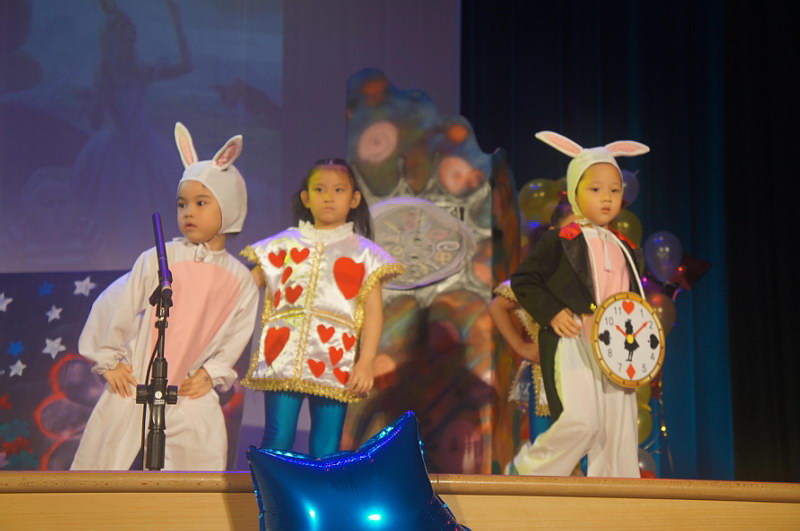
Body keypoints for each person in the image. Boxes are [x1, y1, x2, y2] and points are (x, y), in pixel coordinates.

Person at [70, 122, 259, 470]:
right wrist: (109, 359)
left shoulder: (240, 280)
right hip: (136, 379)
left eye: (201, 202)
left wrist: (212, 372)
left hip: (189, 386)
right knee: (101, 463)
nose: (189, 212)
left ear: (229, 207)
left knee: (200, 458)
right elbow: (115, 303)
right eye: (182, 204)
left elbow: (236, 336)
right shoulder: (159, 258)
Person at [507, 131, 649, 478]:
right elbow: (524, 280)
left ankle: (615, 500)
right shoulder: (560, 241)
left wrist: (645, 350)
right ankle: (527, 471)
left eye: (614, 190)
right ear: (574, 193)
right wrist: (553, 312)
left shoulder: (628, 249)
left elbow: (635, 304)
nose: (607, 197)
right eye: (595, 189)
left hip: (617, 349)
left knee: (618, 432)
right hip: (574, 340)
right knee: (582, 420)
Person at [240, 158, 403, 458]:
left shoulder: (365, 254)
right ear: (306, 198)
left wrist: (366, 362)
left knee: (326, 446)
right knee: (277, 436)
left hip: (335, 358)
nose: (329, 197)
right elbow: (244, 287)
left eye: (338, 190)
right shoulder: (282, 245)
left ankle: (320, 490)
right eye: (319, 189)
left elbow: (373, 312)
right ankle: (270, 488)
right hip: (283, 355)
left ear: (354, 199)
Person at [490, 198, 576, 446]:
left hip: (583, 370)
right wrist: (520, 346)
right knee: (546, 448)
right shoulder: (540, 277)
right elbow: (497, 306)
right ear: (554, 233)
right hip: (545, 376)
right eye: (572, 228)